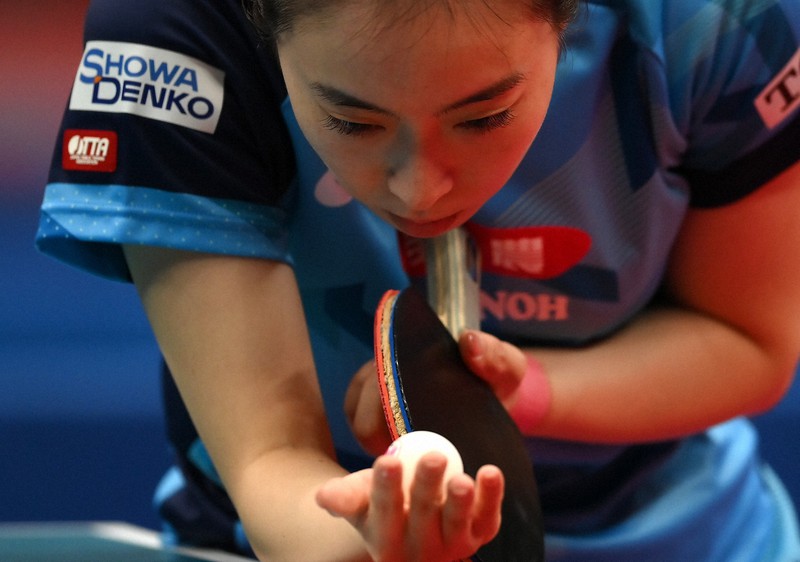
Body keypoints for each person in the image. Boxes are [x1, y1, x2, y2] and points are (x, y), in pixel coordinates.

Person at [36, 0, 800, 559]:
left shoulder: (719, 21)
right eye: (354, 122)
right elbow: (270, 463)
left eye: (484, 116)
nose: (420, 190)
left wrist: (528, 394)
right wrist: (377, 543)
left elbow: (748, 339)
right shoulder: (176, 33)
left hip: (677, 534)